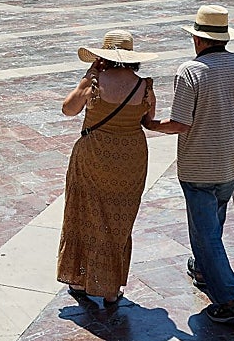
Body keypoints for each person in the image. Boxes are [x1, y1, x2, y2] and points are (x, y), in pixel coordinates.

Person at [144, 5, 234, 324]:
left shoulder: (191, 71)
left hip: (199, 164)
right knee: (214, 219)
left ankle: (231, 301)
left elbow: (180, 124)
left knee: (205, 234)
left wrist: (152, 124)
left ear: (199, 40)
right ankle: (203, 269)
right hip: (233, 160)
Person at [57, 30, 159, 305]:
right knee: (119, 220)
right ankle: (112, 288)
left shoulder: (93, 82)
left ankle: (79, 279)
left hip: (93, 156)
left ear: (103, 57)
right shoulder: (145, 86)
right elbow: (149, 119)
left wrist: (88, 77)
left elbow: (68, 109)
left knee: (84, 213)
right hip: (130, 159)